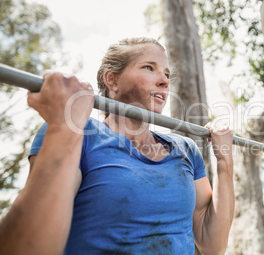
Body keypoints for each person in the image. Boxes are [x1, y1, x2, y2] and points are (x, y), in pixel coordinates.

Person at [0, 37, 235, 254]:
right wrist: (64, 124)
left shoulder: (185, 149)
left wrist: (224, 160)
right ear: (111, 80)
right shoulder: (79, 133)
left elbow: (212, 244)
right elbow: (25, 247)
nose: (164, 81)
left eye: (166, 73)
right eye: (148, 68)